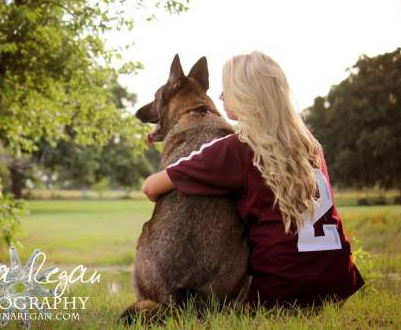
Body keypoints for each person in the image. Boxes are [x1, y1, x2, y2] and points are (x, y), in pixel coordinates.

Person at [141, 51, 364, 308]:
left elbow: (150, 187)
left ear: (247, 95)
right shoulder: (310, 145)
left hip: (282, 293)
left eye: (228, 89)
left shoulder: (237, 148)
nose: (221, 96)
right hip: (338, 288)